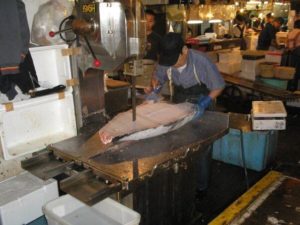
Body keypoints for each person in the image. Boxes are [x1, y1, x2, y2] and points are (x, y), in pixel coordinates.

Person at [146, 32, 225, 199]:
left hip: (203, 102)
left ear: (184, 50)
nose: (172, 65)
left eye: (175, 60)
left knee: (201, 149)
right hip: (180, 102)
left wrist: (204, 103)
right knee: (178, 145)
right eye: (168, 61)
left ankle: (201, 189)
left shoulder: (201, 61)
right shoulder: (166, 61)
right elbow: (158, 78)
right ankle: (182, 182)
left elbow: (218, 86)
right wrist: (154, 89)